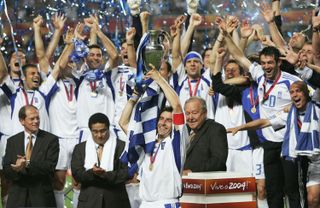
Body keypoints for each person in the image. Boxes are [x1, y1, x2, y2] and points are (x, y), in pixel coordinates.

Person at [227, 81, 319, 208]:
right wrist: (241, 127)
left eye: (298, 91)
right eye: (292, 92)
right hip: (308, 161)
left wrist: (307, 65)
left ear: (306, 93)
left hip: (315, 158)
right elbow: (264, 122)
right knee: (311, 198)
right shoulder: (289, 114)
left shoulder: (316, 106)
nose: (295, 94)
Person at [119, 66, 186, 208]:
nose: (163, 123)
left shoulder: (175, 141)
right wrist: (134, 97)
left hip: (166, 203)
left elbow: (177, 107)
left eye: (169, 120)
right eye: (161, 119)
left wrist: (159, 79)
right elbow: (123, 123)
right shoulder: (147, 140)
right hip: (145, 204)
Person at [2, 105, 59, 208]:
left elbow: (49, 167)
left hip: (42, 199)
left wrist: (27, 164)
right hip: (17, 199)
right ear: (22, 121)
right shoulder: (12, 141)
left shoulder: (51, 140)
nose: (36, 121)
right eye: (32, 118)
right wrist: (16, 168)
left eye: (38, 118)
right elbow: (6, 170)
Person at [71, 113, 130, 208]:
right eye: (95, 131)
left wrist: (106, 175)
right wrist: (92, 173)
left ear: (108, 129)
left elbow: (126, 173)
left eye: (103, 131)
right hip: (89, 203)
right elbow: (77, 174)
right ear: (90, 130)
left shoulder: (122, 146)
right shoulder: (80, 148)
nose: (99, 135)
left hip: (116, 202)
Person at [183, 96, 228, 174]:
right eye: (187, 113)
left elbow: (218, 161)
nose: (190, 117)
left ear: (205, 113)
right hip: (182, 182)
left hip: (207, 182)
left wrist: (192, 172)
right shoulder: (183, 131)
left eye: (194, 113)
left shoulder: (216, 129)